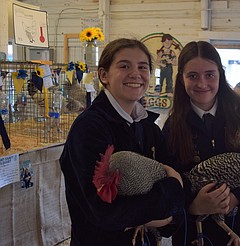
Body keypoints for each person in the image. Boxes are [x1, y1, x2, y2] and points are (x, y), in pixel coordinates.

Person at [59, 38, 184, 246]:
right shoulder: (89, 128)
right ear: (104, 75)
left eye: (142, 67)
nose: (135, 74)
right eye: (124, 66)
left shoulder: (147, 126)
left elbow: (181, 186)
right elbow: (103, 211)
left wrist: (169, 212)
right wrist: (169, 201)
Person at [162, 41, 240, 246]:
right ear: (181, 78)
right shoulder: (172, 126)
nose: (202, 83)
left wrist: (238, 197)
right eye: (192, 76)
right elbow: (165, 181)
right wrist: (193, 206)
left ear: (220, 74)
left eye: (209, 74)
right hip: (194, 231)